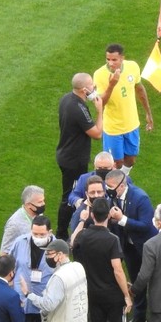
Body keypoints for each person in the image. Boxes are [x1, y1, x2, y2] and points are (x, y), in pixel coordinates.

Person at [72, 197, 134, 322]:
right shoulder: (112, 239)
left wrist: (81, 221)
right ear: (108, 215)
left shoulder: (82, 236)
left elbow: (72, 242)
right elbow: (117, 269)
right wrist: (126, 294)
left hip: (92, 293)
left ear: (92, 215)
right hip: (113, 295)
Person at [7, 214, 56, 322]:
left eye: (42, 234)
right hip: (22, 301)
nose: (38, 237)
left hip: (45, 301)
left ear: (49, 232)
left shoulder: (58, 248)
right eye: (35, 233)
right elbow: (10, 264)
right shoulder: (20, 242)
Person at [105, 169, 157, 322]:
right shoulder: (112, 198)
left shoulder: (140, 198)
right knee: (136, 281)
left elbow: (146, 226)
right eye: (107, 186)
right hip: (128, 247)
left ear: (122, 185)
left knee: (156, 281)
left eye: (111, 186)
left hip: (147, 247)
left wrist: (122, 219)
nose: (108, 190)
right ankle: (140, 316)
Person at [93, 43, 153, 174]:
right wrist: (112, 84)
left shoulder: (133, 67)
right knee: (116, 163)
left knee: (130, 160)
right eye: (108, 59)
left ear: (122, 58)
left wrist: (148, 113)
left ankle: (122, 181)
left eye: (114, 60)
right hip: (113, 127)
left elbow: (140, 89)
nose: (110, 63)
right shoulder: (99, 75)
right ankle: (113, 188)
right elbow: (101, 103)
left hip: (132, 124)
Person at [56, 72, 103, 239]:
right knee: (70, 196)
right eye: (92, 85)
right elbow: (97, 133)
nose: (94, 87)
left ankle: (66, 229)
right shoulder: (79, 109)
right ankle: (62, 234)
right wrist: (100, 111)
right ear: (84, 90)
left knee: (70, 193)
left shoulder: (67, 99)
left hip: (65, 153)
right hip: (74, 161)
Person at [1, 185, 47, 255]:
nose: (43, 204)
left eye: (43, 200)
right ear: (28, 205)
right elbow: (4, 253)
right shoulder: (14, 224)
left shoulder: (38, 213)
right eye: (40, 202)